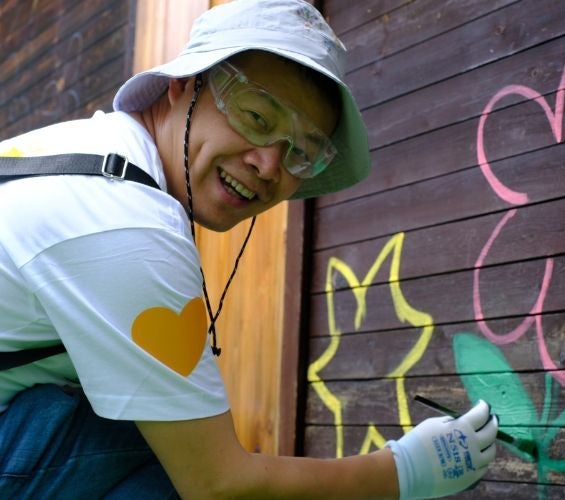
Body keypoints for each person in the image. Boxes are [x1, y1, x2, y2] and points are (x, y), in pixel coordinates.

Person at [0, 0, 498, 498]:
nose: (269, 165)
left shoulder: (98, 149)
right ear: (183, 86)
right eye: (257, 116)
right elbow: (216, 484)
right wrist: (405, 471)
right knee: (171, 456)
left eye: (300, 152)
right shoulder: (126, 223)